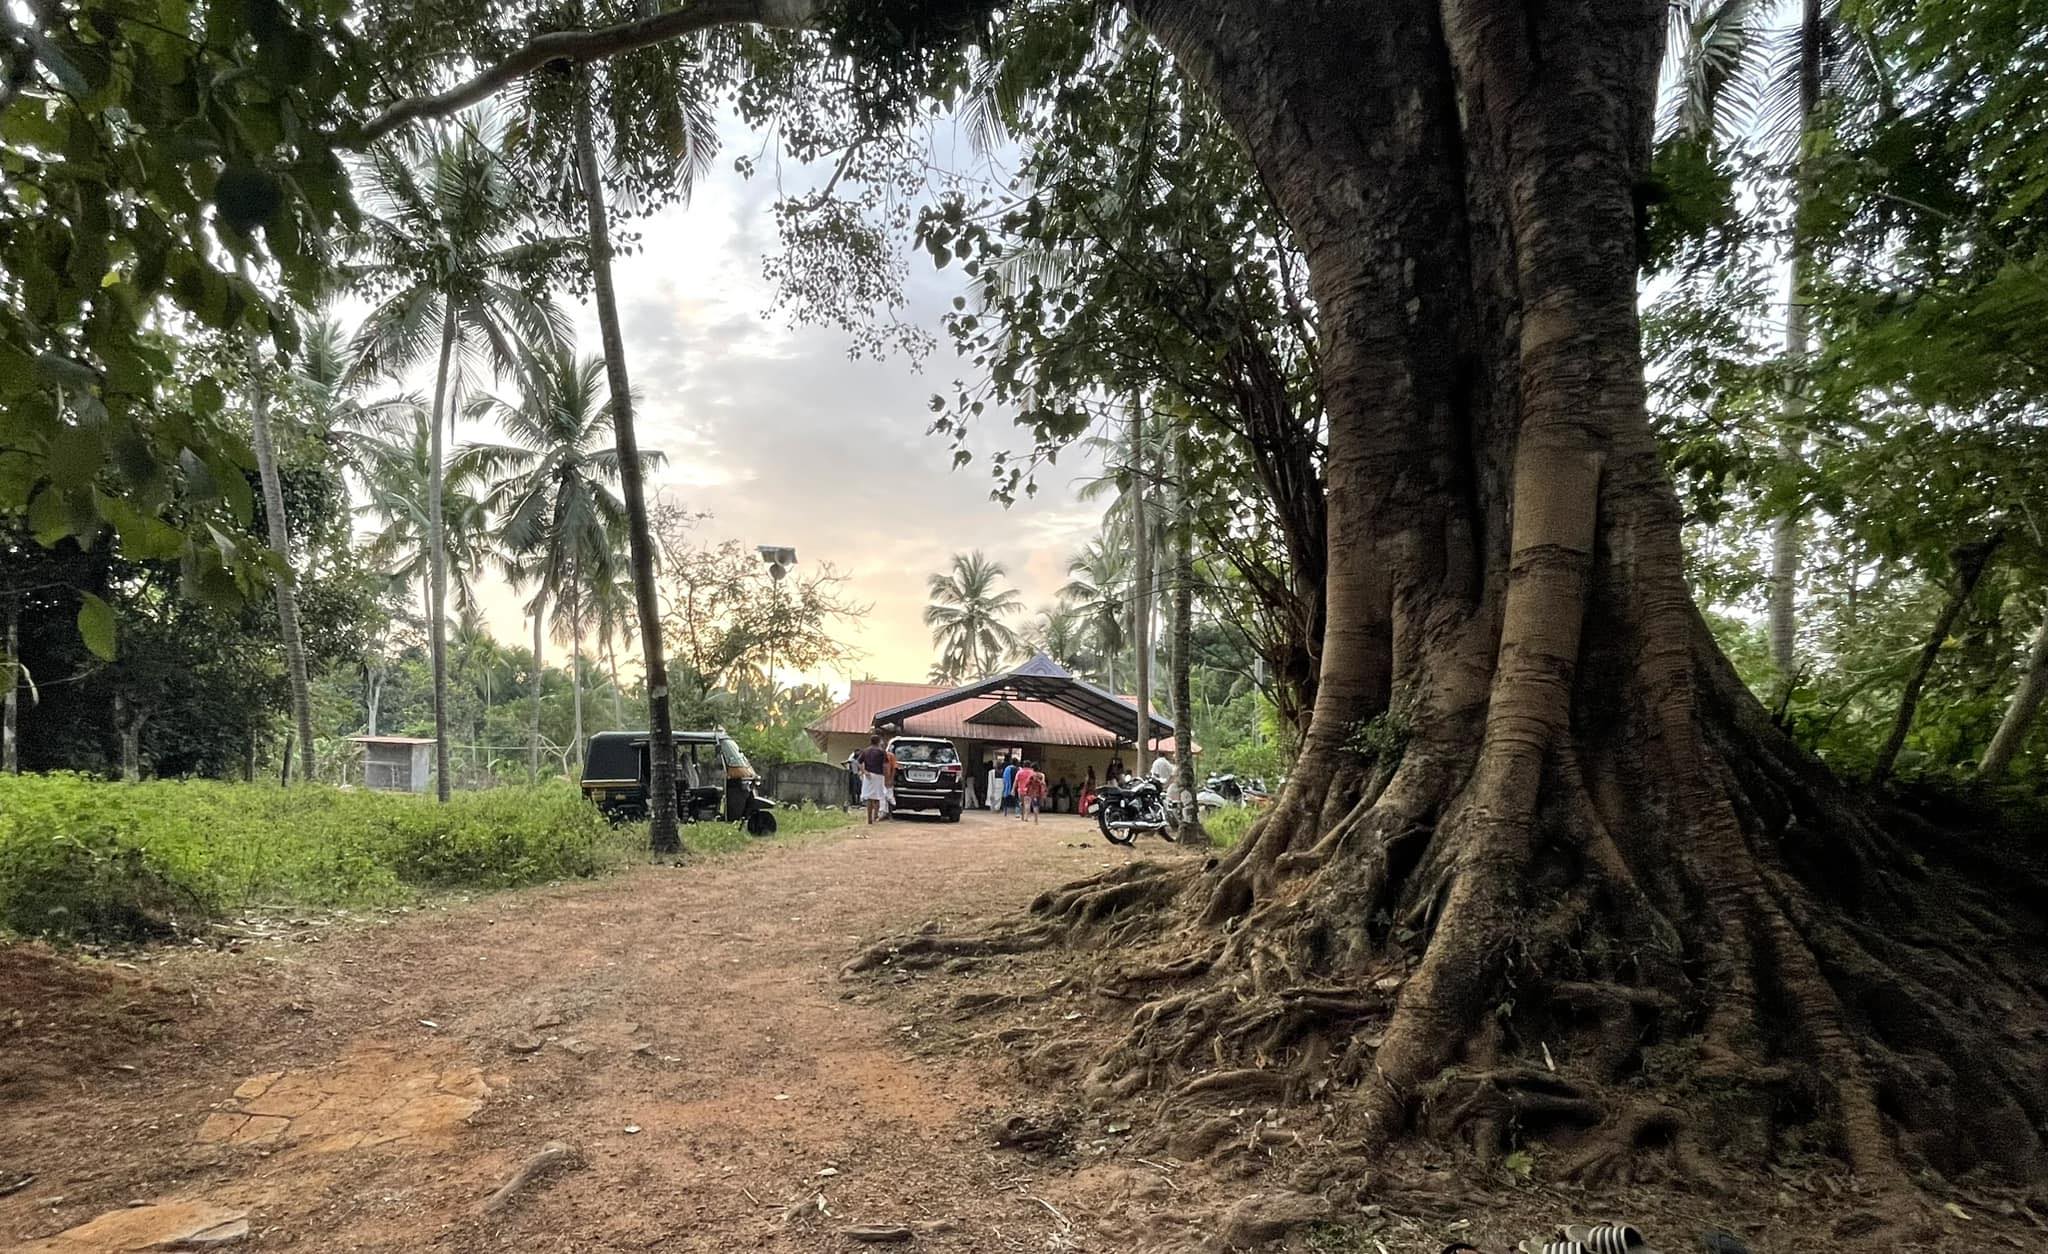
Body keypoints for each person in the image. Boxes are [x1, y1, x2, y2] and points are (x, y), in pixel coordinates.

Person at [857, 734, 889, 825]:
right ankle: (875, 816)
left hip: (868, 776)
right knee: (878, 797)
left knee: (869, 797)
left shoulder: (865, 751)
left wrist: (864, 771)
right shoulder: (882, 752)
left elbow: (858, 762)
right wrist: (887, 777)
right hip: (879, 776)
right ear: (879, 741)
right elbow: (885, 765)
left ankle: (869, 818)